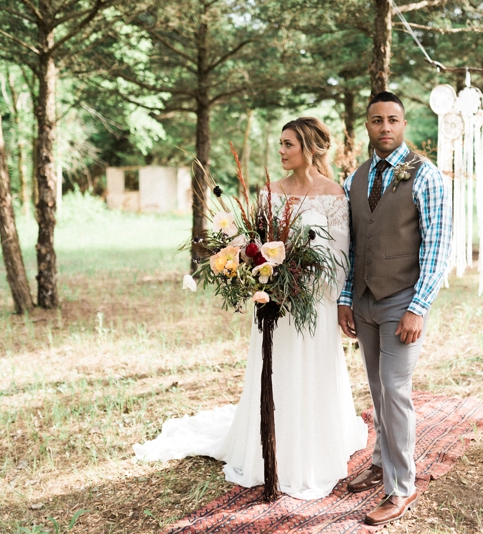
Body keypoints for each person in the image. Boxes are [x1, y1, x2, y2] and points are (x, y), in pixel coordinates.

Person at [134, 117, 368, 500]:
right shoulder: (268, 194)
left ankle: (310, 449)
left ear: (309, 148)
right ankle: (268, 449)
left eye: (288, 144)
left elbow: (341, 256)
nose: (280, 151)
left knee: (311, 369)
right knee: (274, 369)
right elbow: (257, 245)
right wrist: (259, 274)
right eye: (280, 143)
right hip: (274, 300)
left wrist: (318, 290)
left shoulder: (333, 194)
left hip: (314, 301)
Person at [337, 91, 452, 526]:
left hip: (403, 300)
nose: (384, 127)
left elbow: (438, 250)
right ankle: (383, 461)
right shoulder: (356, 178)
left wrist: (418, 307)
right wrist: (346, 298)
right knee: (376, 388)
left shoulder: (427, 176)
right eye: (376, 120)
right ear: (367, 126)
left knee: (395, 391)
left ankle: (402, 488)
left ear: (404, 124)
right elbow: (352, 246)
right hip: (363, 301)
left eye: (392, 119)